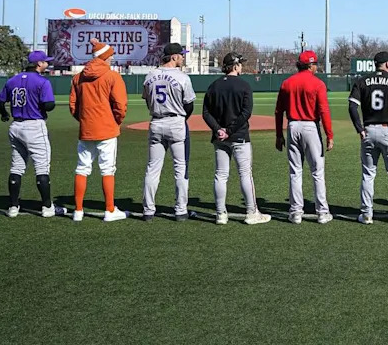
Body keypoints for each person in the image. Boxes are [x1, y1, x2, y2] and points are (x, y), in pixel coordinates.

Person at [203, 53, 271, 225]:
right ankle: (251, 212)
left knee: (221, 175)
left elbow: (206, 113)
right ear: (234, 66)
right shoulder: (244, 85)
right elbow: (246, 113)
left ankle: (220, 214)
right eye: (240, 64)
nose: (241, 66)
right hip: (239, 136)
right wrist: (230, 130)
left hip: (220, 139)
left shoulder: (214, 86)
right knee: (245, 174)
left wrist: (219, 130)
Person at [0, 50, 65, 218]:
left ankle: (13, 207)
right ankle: (47, 207)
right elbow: (49, 105)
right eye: (45, 62)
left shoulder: (12, 80)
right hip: (34, 126)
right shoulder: (42, 81)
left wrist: (5, 115)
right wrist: (40, 107)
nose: (47, 64)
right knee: (42, 167)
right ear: (38, 64)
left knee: (17, 167)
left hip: (16, 126)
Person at [69, 38, 129, 222]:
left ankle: (78, 210)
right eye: (110, 56)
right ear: (104, 57)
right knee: (107, 169)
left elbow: (73, 106)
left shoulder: (78, 77)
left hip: (86, 129)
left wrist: (85, 120)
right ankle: (109, 210)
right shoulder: (112, 76)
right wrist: (115, 121)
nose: (112, 59)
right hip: (107, 129)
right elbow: (120, 105)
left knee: (82, 168)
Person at [348, 51, 388, 225]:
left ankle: (367, 214)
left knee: (368, 175)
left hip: (368, 131)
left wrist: (359, 129)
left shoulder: (362, 81)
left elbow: (352, 106)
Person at [275, 50, 333, 224]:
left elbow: (279, 111)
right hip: (310, 128)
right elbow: (323, 110)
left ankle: (295, 212)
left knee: (295, 171)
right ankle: (322, 213)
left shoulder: (287, 83)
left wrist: (279, 134)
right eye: (315, 64)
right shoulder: (317, 84)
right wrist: (329, 134)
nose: (316, 67)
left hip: (292, 126)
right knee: (317, 172)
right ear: (310, 65)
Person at [141, 43, 196, 221]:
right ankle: (180, 210)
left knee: (153, 169)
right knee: (180, 168)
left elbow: (147, 101)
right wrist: (180, 119)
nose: (183, 57)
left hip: (156, 121)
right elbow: (189, 105)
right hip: (176, 122)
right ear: (173, 57)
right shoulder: (182, 77)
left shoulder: (150, 75)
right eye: (181, 55)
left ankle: (148, 210)